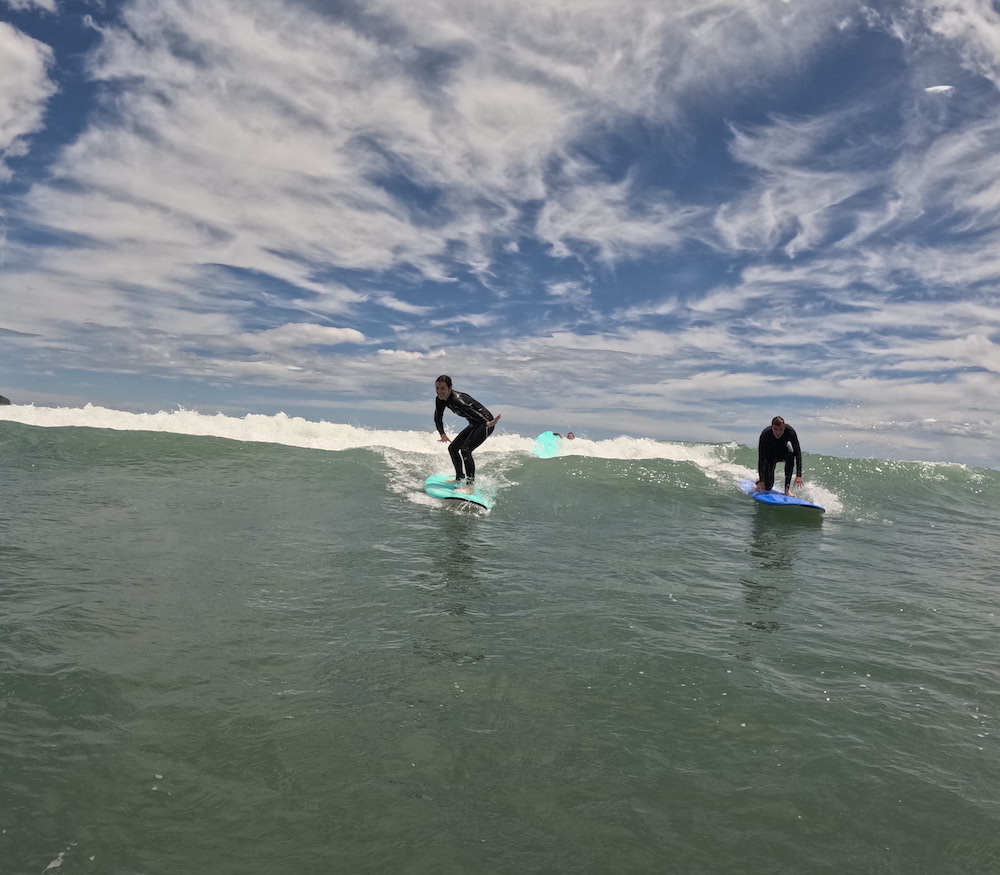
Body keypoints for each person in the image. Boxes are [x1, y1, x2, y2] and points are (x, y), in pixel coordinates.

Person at [434, 375, 501, 494]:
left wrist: (487, 423)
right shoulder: (440, 399)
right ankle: (459, 477)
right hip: (475, 423)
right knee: (453, 448)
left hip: (485, 422)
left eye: (442, 388)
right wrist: (442, 434)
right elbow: (438, 417)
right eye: (437, 388)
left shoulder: (457, 400)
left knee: (465, 450)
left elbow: (472, 412)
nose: (439, 391)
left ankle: (470, 487)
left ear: (450, 388)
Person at [754, 416, 804, 495]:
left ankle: (787, 490)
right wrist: (761, 481)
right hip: (770, 455)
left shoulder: (790, 432)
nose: (778, 432)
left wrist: (799, 475)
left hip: (783, 452)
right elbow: (761, 458)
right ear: (772, 427)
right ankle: (759, 481)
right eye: (776, 429)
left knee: (790, 456)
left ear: (784, 427)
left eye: (781, 429)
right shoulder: (765, 434)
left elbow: (797, 453)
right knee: (768, 487)